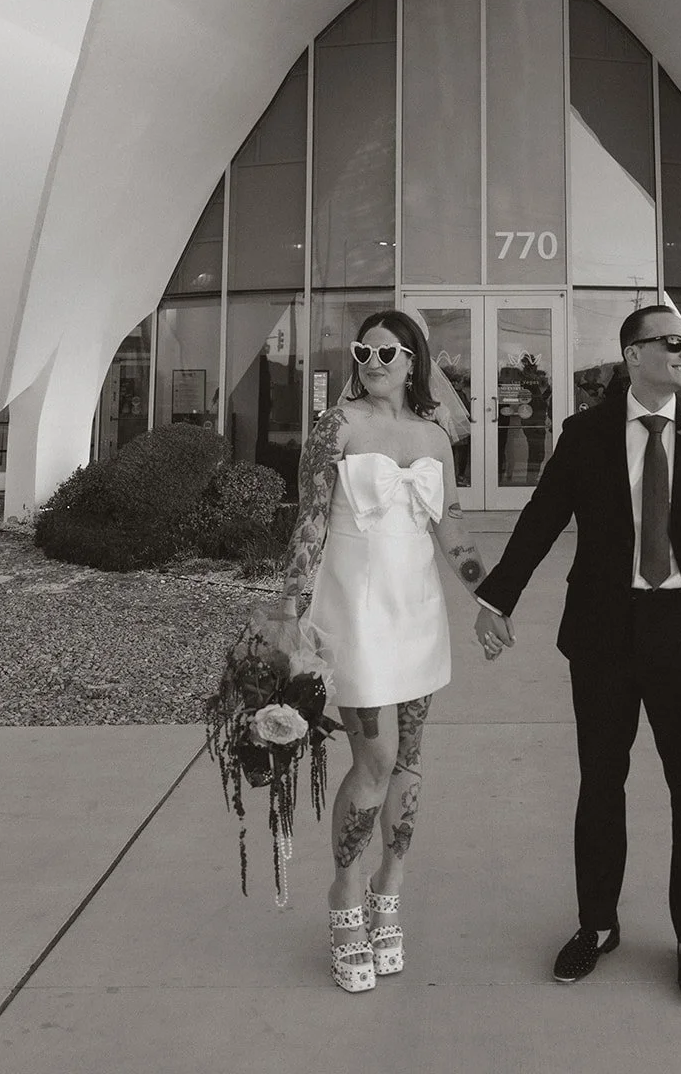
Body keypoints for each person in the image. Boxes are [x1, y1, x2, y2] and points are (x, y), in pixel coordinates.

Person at [474, 304, 681, 1005]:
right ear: (633, 355)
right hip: (602, 634)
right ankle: (596, 926)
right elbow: (543, 517)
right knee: (599, 784)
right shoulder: (586, 433)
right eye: (672, 342)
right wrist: (497, 597)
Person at [277, 309, 497, 994]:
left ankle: (388, 888)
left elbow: (449, 524)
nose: (373, 361)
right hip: (354, 609)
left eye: (388, 352)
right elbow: (309, 521)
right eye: (363, 350)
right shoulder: (335, 428)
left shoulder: (434, 434)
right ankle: (344, 898)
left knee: (408, 759)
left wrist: (489, 596)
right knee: (371, 760)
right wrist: (290, 614)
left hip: (416, 612)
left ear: (414, 362)